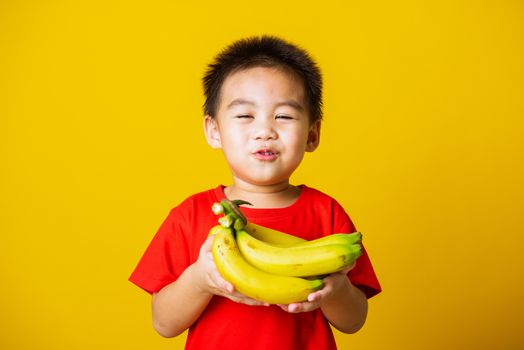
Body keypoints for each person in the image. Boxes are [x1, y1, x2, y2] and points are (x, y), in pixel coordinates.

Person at [129, 35, 381, 350]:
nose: (265, 131)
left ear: (312, 135)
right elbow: (163, 324)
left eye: (284, 116)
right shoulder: (189, 216)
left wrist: (337, 290)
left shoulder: (326, 213)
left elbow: (354, 321)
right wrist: (200, 279)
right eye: (245, 116)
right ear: (214, 131)